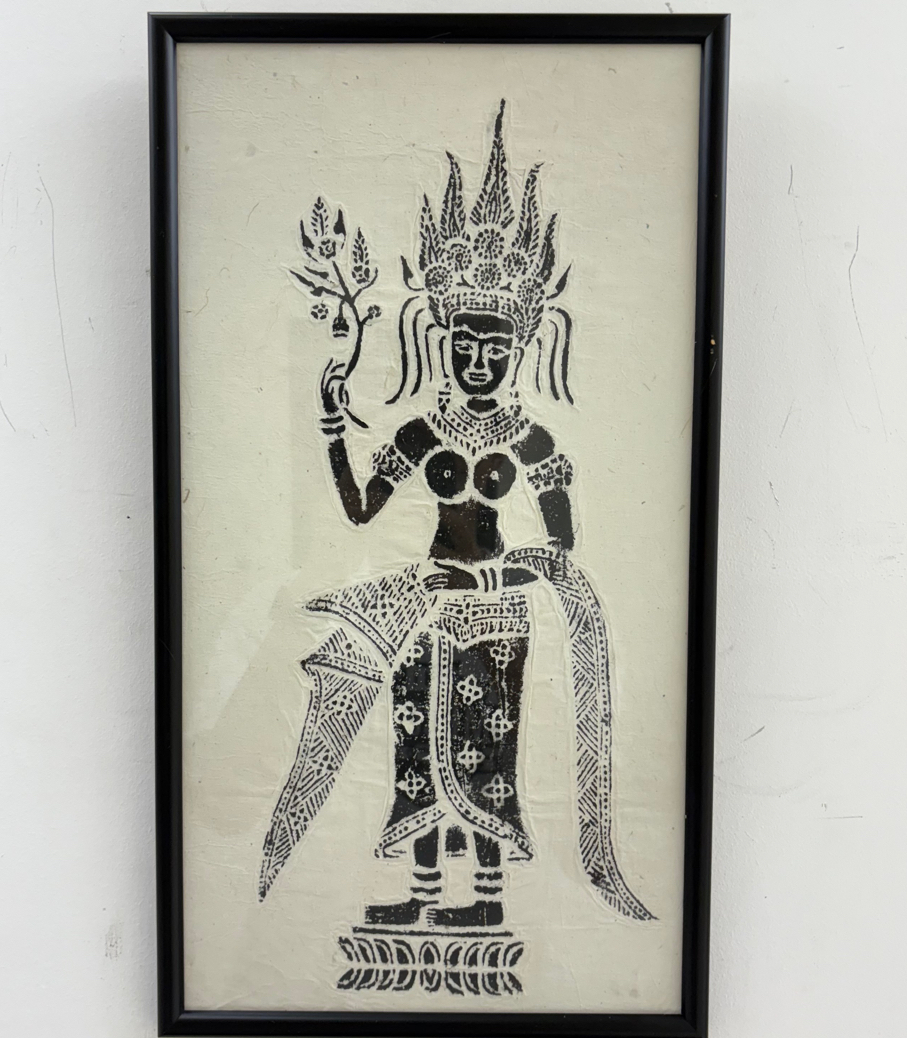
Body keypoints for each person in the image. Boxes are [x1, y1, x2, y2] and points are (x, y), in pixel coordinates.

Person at [260, 102, 652, 930]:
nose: (479, 361)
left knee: (483, 757)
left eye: (495, 349)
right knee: (416, 752)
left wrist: (493, 575)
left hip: (495, 614)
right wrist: (332, 427)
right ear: (443, 342)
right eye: (466, 347)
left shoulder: (532, 439)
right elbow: (360, 511)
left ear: (520, 349)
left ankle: (484, 899)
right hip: (422, 610)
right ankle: (425, 891)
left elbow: (560, 544)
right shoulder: (419, 431)